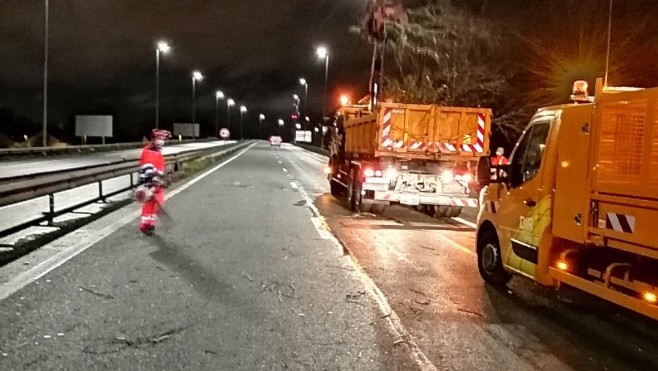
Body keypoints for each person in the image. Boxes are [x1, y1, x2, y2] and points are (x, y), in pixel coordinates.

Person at [138, 129, 171, 235]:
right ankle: (145, 225)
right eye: (159, 139)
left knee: (156, 203)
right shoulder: (150, 152)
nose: (162, 141)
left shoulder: (156, 151)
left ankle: (149, 223)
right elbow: (148, 168)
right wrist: (151, 185)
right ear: (153, 139)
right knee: (150, 203)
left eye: (163, 139)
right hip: (150, 182)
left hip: (155, 182)